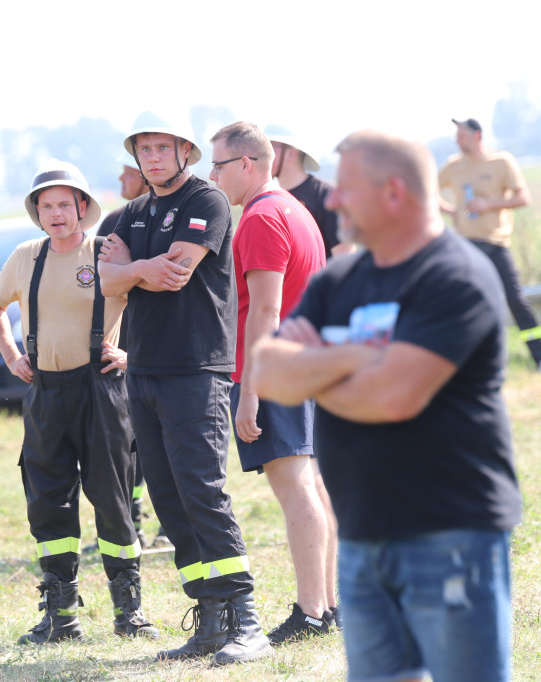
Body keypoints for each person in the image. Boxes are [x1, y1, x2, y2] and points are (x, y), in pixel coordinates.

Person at [252, 130, 521, 682]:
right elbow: (270, 373)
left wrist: (321, 364)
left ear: (394, 193)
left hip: (449, 534)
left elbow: (394, 396)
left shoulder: (455, 276)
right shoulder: (340, 280)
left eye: (346, 188)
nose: (331, 200)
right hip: (364, 537)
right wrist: (362, 357)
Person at [98, 111, 271, 665]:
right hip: (142, 371)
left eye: (161, 148)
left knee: (202, 489)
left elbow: (179, 270)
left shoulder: (207, 201)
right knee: (169, 499)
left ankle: (248, 620)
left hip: (197, 369)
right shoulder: (128, 213)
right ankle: (211, 618)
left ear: (185, 152)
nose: (151, 158)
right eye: (143, 149)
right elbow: (105, 282)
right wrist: (131, 271)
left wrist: (134, 267)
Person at [0, 160, 157, 644]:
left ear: (83, 207)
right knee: (47, 500)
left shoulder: (109, 251)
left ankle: (129, 611)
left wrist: (132, 354)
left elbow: (154, 305)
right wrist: (12, 355)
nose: (56, 213)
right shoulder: (25, 257)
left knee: (112, 496)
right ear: (36, 212)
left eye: (65, 204)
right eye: (46, 205)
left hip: (102, 390)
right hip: (45, 393)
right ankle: (61, 616)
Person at [208, 122, 336, 645]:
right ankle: (328, 604)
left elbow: (265, 307)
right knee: (317, 487)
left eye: (217, 165)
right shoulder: (295, 210)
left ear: (247, 165)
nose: (211, 177)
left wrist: (251, 390)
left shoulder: (260, 217)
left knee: (296, 487)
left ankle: (310, 611)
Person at [96, 151, 165, 548]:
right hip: (122, 347)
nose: (121, 183)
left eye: (127, 175)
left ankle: (169, 526)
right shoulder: (114, 224)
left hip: (157, 348)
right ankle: (131, 522)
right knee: (127, 443)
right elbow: (107, 286)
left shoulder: (174, 220)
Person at [438, 117, 541, 370]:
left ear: (478, 135)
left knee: (515, 300)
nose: (457, 140)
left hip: (495, 243)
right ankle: (467, 363)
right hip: (466, 246)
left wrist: (488, 205)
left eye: (462, 135)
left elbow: (523, 197)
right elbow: (428, 191)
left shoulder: (501, 162)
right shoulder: (454, 166)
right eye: (456, 136)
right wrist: (451, 211)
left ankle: (538, 355)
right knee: (462, 301)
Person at [267, 132, 355, 259]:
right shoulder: (271, 199)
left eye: (270, 147)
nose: (263, 155)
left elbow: (344, 259)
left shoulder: (327, 196)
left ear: (290, 153)